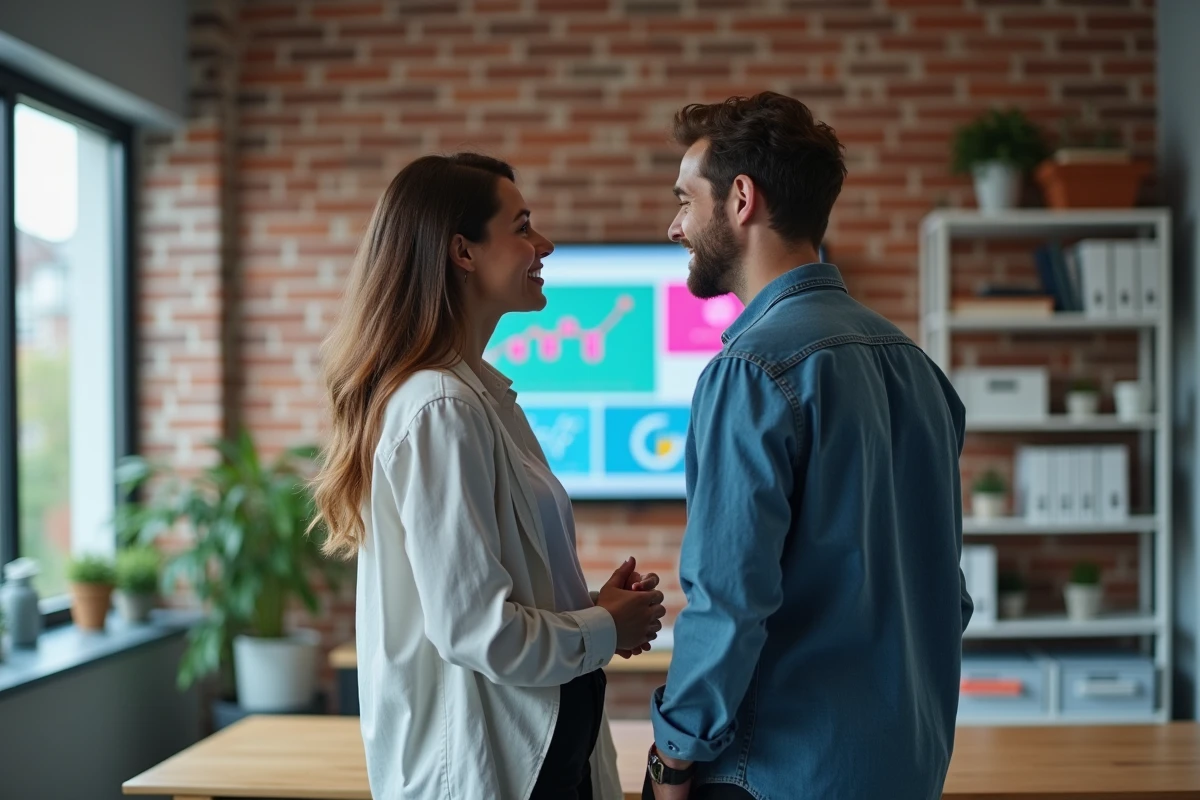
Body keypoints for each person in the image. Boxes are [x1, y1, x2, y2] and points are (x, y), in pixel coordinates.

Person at [643, 93, 973, 799]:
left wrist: (672, 756)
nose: (674, 226)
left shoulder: (750, 371)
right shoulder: (916, 366)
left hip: (774, 774)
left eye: (683, 200)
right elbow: (947, 592)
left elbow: (729, 598)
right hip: (904, 769)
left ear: (740, 198)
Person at [310, 152, 666, 800]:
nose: (545, 245)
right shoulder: (439, 407)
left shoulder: (475, 398)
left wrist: (586, 607)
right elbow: (479, 632)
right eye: (523, 226)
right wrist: (607, 628)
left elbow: (489, 592)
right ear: (463, 252)